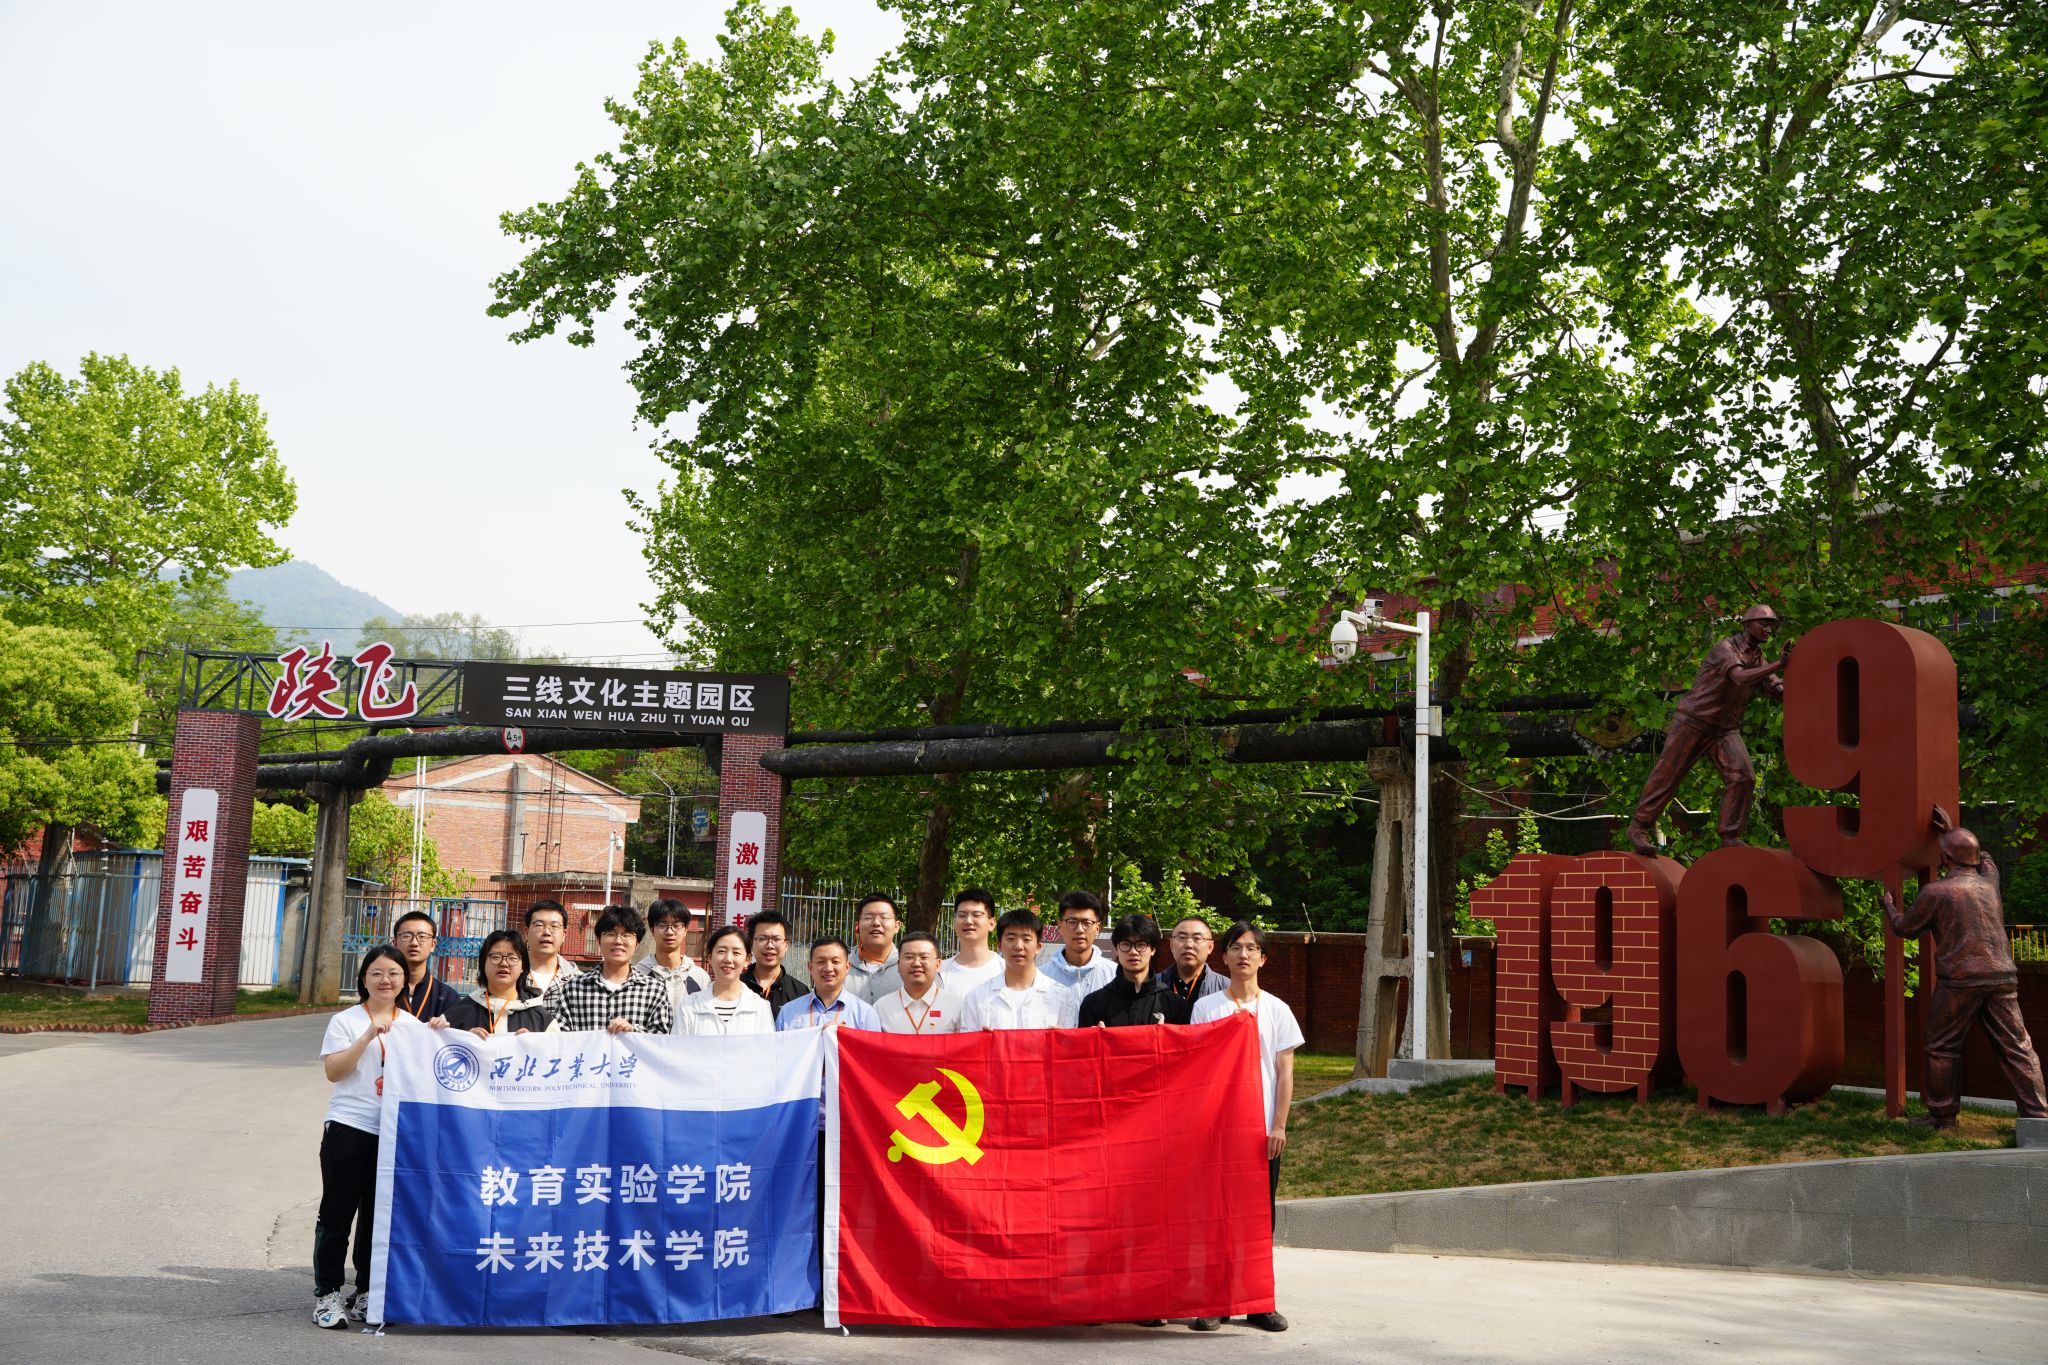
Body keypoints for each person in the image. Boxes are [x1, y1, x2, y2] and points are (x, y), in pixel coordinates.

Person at [1880, 807, 2048, 1128]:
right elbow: (1987, 859)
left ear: (1944, 859)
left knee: (1941, 1045)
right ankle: (2039, 1116)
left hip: (1960, 979)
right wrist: (1952, 831)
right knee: (2017, 1046)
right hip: (2002, 975)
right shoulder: (1990, 883)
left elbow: (1904, 928)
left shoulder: (1936, 892)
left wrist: (1889, 907)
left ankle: (1942, 1116)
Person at [1189, 921, 1299, 1333]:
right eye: (1236, 947)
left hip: (1261, 1131)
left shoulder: (1278, 1010)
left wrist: (1279, 1126)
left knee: (1258, 1218)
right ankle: (1215, 1303)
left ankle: (1259, 1303)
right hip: (1218, 1130)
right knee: (1216, 1216)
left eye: (1252, 948)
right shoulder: (1207, 1008)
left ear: (1263, 958)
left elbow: (1284, 1074)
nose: (1244, 955)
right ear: (1224, 956)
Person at [1626, 604, 1791, 855]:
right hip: (1694, 721)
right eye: (1764, 623)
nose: (1769, 629)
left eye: (1772, 625)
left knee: (1743, 776)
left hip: (1724, 729)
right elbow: (1740, 677)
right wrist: (1778, 664)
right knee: (1668, 774)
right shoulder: (1725, 648)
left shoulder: (1758, 657)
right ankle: (1638, 827)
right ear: (1747, 625)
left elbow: (1773, 686)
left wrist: (1801, 687)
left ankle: (1730, 836)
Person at [313, 945, 406, 1329]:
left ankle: (368, 1291)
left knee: (377, 1218)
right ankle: (327, 1294)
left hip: (393, 1133)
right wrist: (367, 1035)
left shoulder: (413, 1026)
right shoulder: (346, 1021)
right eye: (377, 973)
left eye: (394, 974)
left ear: (403, 980)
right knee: (337, 1215)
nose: (385, 980)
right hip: (349, 1128)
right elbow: (334, 1072)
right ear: (363, 979)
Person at [544, 905, 673, 1034]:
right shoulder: (573, 988)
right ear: (598, 940)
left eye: (626, 935)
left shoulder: (654, 990)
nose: (618, 941)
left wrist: (634, 1031)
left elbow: (662, 1038)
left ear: (637, 943)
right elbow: (559, 1038)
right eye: (611, 934)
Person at [959, 909, 1081, 1030]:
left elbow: (1072, 1040)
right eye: (1010, 938)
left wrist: (1061, 1039)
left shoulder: (1062, 997)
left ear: (1038, 947)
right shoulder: (977, 998)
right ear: (999, 945)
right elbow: (967, 1041)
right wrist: (981, 1040)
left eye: (1026, 939)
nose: (1018, 946)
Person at [439, 930, 558, 1036]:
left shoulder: (543, 1021)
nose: (504, 963)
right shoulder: (458, 1014)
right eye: (495, 957)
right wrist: (464, 1040)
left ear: (523, 966)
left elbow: (557, 1053)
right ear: (483, 963)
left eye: (512, 958)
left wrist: (536, 1047)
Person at [1081, 914, 1190, 1028]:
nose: (1133, 951)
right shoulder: (1094, 1003)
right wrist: (1094, 1036)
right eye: (1126, 944)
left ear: (1153, 949)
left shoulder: (1174, 1004)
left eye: (1141, 945)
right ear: (1116, 949)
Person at [674, 924, 778, 1035]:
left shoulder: (760, 1007)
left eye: (736, 953)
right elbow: (678, 1045)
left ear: (747, 960)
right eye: (721, 951)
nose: (728, 959)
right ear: (710, 958)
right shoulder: (688, 1006)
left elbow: (767, 1046)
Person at [777, 937, 882, 1031]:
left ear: (847, 967)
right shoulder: (788, 1012)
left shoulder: (865, 1014)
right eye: (821, 962)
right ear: (810, 967)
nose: (828, 968)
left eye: (835, 961)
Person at [876, 932, 965, 1036]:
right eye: (909, 957)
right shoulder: (882, 1007)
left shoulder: (956, 1005)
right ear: (898, 965)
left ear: (938, 965)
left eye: (924, 957)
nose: (917, 963)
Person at [637, 898, 711, 1017]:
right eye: (662, 925)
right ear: (652, 930)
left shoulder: (700, 977)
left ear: (685, 930)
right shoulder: (638, 975)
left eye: (676, 925)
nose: (669, 932)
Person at [1036, 890, 1116, 995]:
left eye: (1087, 923)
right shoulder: (1041, 977)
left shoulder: (1114, 975)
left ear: (1097, 928)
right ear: (1060, 926)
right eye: (1072, 922)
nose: (1079, 930)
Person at [389, 909, 460, 1021]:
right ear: (395, 943)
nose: (414, 943)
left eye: (422, 936)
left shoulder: (448, 997)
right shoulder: (382, 990)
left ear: (433, 945)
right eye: (406, 936)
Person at [739, 910, 809, 1012]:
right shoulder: (736, 986)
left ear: (786, 946)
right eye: (762, 939)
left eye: (776, 939)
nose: (770, 946)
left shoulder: (799, 992)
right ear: (751, 944)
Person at [940, 888, 1004, 996]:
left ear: (991, 924)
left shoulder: (1006, 971)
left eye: (977, 915)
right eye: (962, 915)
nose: (968, 921)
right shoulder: (939, 972)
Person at [1156, 915, 1229, 1008]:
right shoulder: (1152, 986)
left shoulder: (1226, 987)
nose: (1189, 945)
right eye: (1182, 937)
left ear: (1210, 947)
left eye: (1197, 938)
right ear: (1171, 945)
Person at [845, 893, 901, 1004]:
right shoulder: (841, 968)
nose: (876, 923)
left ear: (896, 926)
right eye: (868, 918)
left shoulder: (908, 967)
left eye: (884, 917)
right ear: (857, 926)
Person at [522, 899, 581, 995]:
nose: (547, 932)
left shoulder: (578, 981)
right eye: (539, 925)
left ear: (564, 935)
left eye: (554, 926)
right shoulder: (509, 974)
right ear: (526, 932)